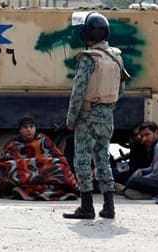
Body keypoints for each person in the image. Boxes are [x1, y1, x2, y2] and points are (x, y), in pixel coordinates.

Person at [63, 11, 129, 220]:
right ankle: (109, 207)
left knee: (82, 161)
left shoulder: (88, 58)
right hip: (107, 115)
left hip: (88, 115)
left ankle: (87, 207)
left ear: (86, 34)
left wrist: (71, 119)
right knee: (102, 160)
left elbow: (78, 92)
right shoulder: (116, 56)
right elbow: (122, 89)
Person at [0, 117, 78, 200]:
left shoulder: (44, 140)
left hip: (43, 172)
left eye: (31, 127)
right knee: (7, 170)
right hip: (21, 175)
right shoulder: (13, 144)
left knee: (59, 166)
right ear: (20, 130)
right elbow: (0, 164)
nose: (29, 130)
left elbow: (59, 158)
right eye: (25, 127)